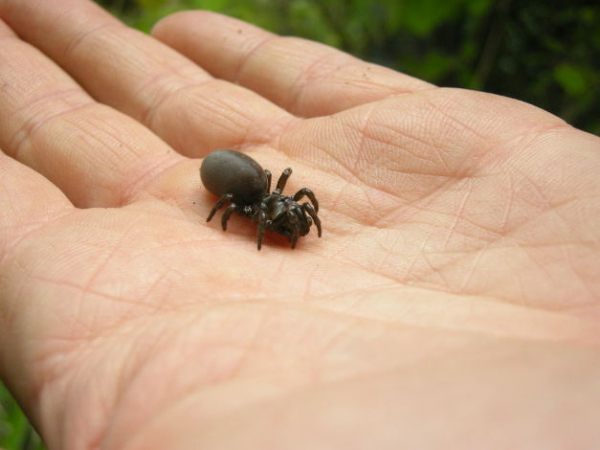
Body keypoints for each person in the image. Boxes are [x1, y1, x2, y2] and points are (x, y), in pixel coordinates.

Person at [0, 0, 599, 448]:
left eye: (293, 219)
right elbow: (240, 206)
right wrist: (227, 217)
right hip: (228, 176)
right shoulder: (249, 205)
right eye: (289, 221)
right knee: (258, 190)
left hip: (240, 176)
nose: (293, 221)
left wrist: (304, 223)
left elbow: (300, 195)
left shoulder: (285, 201)